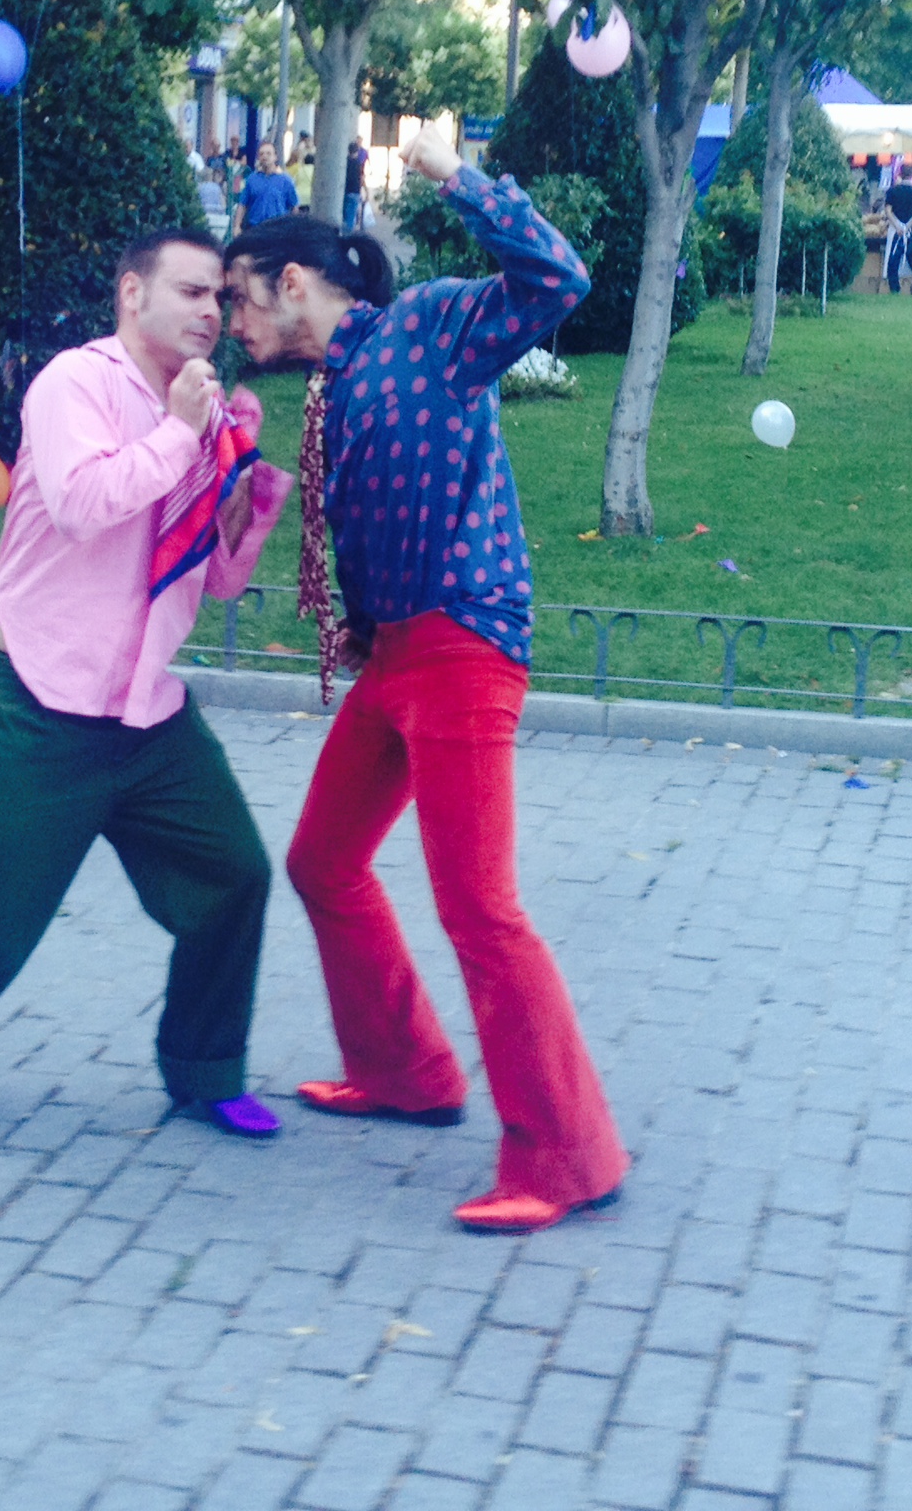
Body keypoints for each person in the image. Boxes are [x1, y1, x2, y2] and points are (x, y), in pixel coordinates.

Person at [223, 127, 631, 1236]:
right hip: (397, 654)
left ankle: (566, 1156)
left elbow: (558, 278)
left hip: (461, 643)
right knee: (321, 861)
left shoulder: (433, 325)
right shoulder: (333, 383)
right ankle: (406, 1072)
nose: (233, 323)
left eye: (240, 298)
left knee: (480, 909)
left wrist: (459, 178)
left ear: (292, 282)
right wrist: (354, 625)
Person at [0, 227, 296, 1147]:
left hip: (144, 712)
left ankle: (205, 1071)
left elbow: (212, 581)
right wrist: (180, 433)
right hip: (34, 699)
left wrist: (247, 511)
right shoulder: (75, 383)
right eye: (190, 292)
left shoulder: (204, 410)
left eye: (219, 297)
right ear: (132, 294)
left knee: (233, 877)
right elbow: (80, 504)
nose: (211, 312)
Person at [232, 143, 298, 234]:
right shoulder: (252, 179)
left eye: (268, 153)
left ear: (275, 157)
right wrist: (237, 226)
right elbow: (242, 204)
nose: (265, 157)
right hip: (256, 228)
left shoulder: (286, 181)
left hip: (278, 229)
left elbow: (294, 206)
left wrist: (293, 229)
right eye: (261, 154)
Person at [882, 181, 912, 294]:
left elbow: (888, 211)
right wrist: (908, 225)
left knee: (893, 259)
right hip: (911, 230)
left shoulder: (892, 191)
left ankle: (894, 287)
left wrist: (897, 225)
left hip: (895, 230)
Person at [343, 139, 369, 233]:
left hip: (345, 191)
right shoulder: (358, 164)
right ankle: (347, 235)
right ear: (357, 151)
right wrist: (366, 191)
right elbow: (361, 178)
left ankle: (342, 232)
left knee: (344, 215)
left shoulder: (344, 162)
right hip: (355, 192)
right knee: (351, 217)